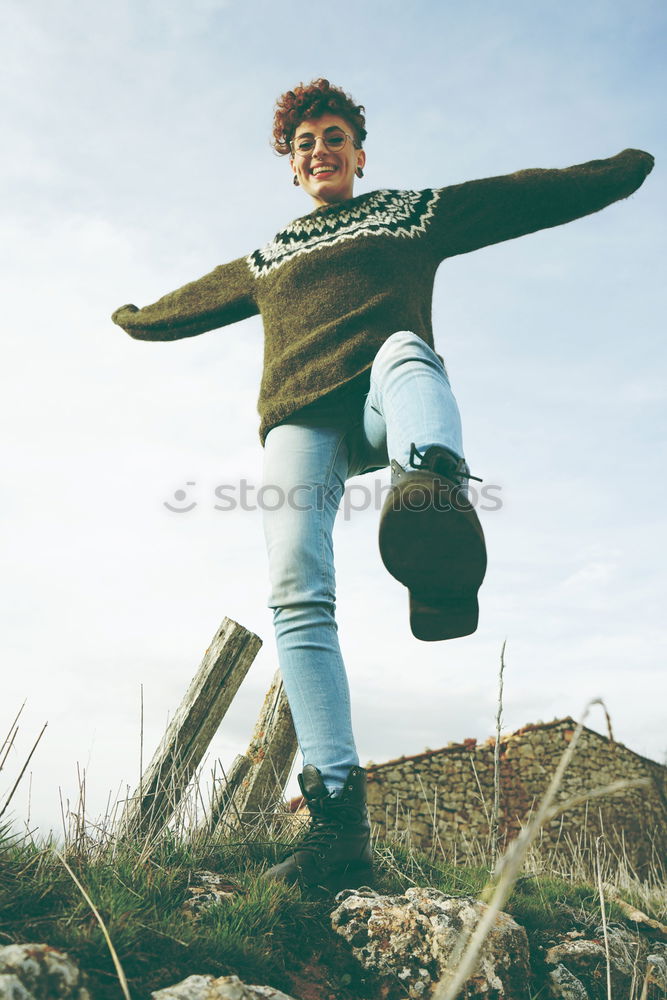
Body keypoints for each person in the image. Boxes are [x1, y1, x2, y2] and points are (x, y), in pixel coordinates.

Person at [112, 78, 654, 894]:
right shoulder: (270, 257)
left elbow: (513, 197)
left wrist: (612, 171)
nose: (320, 151)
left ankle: (430, 494)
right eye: (305, 145)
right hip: (302, 421)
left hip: (381, 405)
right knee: (294, 585)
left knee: (405, 348)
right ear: (292, 168)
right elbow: (198, 297)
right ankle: (336, 822)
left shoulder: (409, 212)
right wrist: (137, 315)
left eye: (333, 137)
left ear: (358, 154)